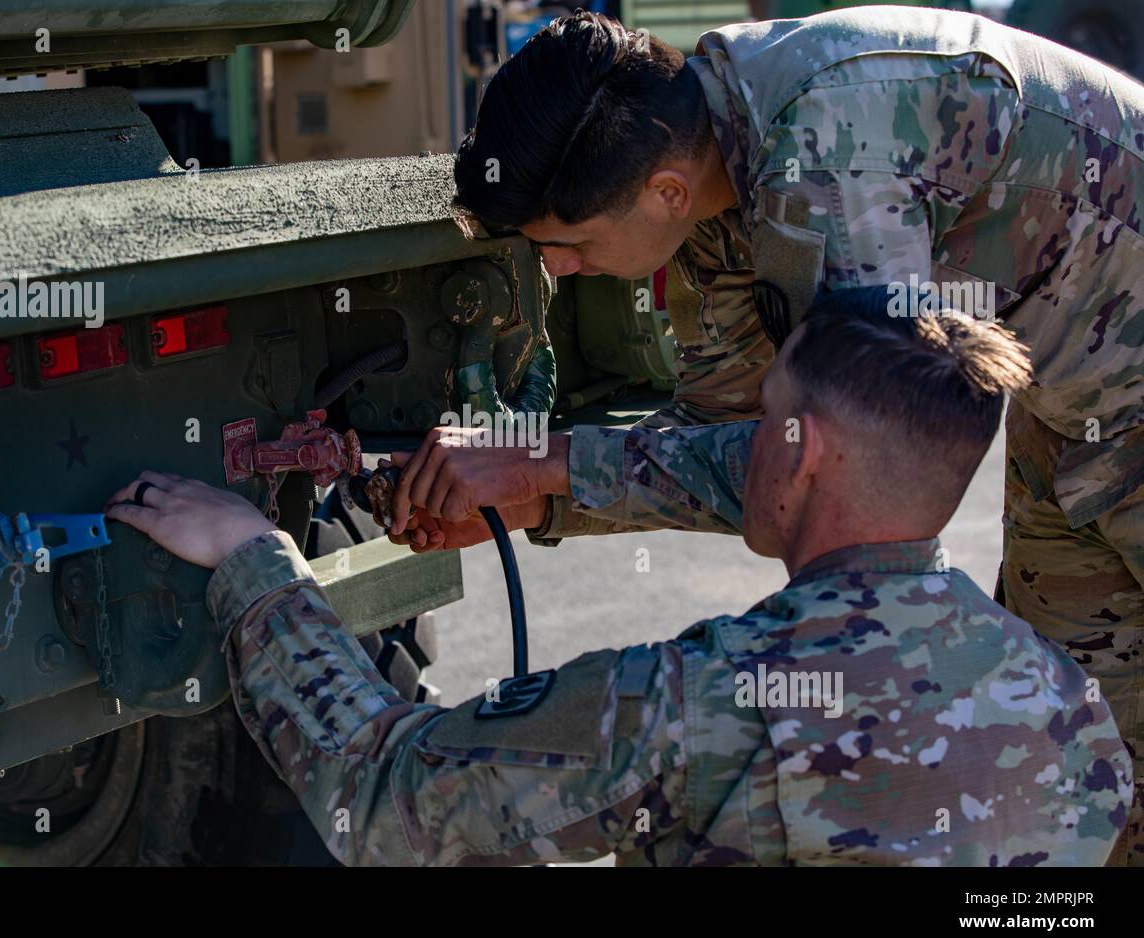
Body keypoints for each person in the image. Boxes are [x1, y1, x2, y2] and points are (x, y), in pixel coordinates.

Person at [446, 7, 1144, 864]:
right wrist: (536, 498)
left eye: (570, 245)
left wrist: (553, 463)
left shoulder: (831, 155)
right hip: (1076, 401)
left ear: (662, 190)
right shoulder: (707, 174)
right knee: (1100, 761)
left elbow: (851, 459)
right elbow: (747, 450)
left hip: (1120, 386)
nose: (555, 268)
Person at [105, 290, 1132, 866]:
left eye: (760, 412)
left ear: (801, 449)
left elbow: (382, 799)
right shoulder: (1068, 706)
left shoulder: (705, 700)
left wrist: (256, 562)